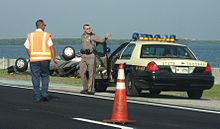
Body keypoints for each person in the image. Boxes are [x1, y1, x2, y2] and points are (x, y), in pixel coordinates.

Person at [24, 19, 57, 102]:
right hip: (45, 59)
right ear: (41, 26)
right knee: (45, 76)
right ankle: (44, 93)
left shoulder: (30, 35)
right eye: (44, 25)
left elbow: (27, 47)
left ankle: (38, 96)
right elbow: (51, 47)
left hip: (34, 59)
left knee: (35, 77)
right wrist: (54, 58)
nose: (45, 26)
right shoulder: (46, 35)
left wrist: (31, 55)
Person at [80, 24, 110, 95]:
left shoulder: (93, 36)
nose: (89, 30)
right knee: (82, 73)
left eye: (89, 28)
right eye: (87, 29)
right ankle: (85, 87)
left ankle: (91, 89)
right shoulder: (82, 36)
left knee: (91, 73)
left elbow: (101, 41)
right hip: (84, 56)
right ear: (84, 30)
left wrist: (105, 38)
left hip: (91, 56)